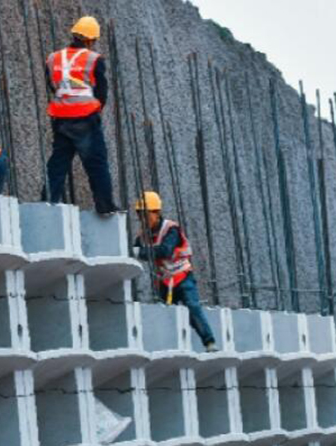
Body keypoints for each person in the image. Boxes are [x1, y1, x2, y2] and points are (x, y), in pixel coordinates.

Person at [44, 16, 118, 214]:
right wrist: (94, 108)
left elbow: (52, 85)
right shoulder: (94, 59)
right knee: (96, 163)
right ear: (89, 40)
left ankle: (47, 203)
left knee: (58, 164)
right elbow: (102, 92)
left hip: (60, 117)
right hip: (85, 117)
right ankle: (104, 206)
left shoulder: (53, 58)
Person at [134, 191, 217, 352]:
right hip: (165, 281)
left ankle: (209, 342)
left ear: (156, 212)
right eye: (140, 216)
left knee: (193, 307)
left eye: (146, 215)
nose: (143, 220)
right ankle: (168, 347)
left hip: (183, 276)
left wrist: (143, 252)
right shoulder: (143, 235)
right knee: (165, 314)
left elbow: (165, 250)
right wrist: (141, 252)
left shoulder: (171, 229)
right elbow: (135, 250)